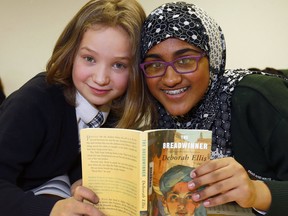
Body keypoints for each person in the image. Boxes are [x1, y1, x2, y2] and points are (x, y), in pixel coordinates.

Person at [0, 0, 147, 215]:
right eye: (89, 59)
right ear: (70, 53)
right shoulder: (34, 103)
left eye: (119, 65)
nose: (101, 78)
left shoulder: (115, 110)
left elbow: (68, 154)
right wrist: (52, 210)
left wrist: (78, 179)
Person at [140, 2, 288, 215]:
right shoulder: (156, 120)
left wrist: (258, 193)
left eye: (185, 60)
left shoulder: (258, 99)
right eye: (155, 65)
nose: (170, 79)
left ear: (212, 60)